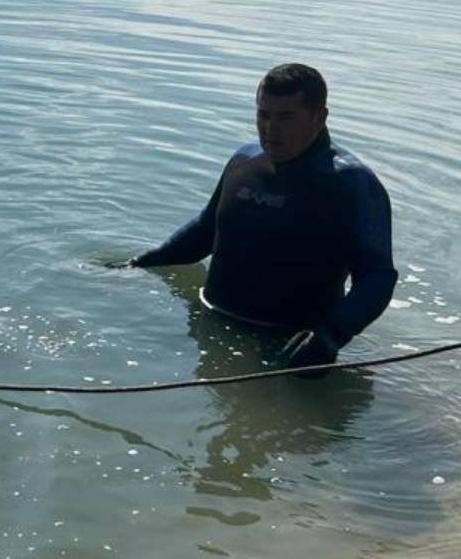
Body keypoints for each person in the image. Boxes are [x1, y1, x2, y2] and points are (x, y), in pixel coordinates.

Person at [126, 64, 396, 375]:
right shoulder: (244, 162)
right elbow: (206, 229)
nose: (270, 129)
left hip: (292, 350)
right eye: (263, 115)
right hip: (211, 329)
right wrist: (139, 264)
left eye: (286, 118)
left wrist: (331, 334)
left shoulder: (352, 184)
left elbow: (378, 277)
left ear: (319, 117)